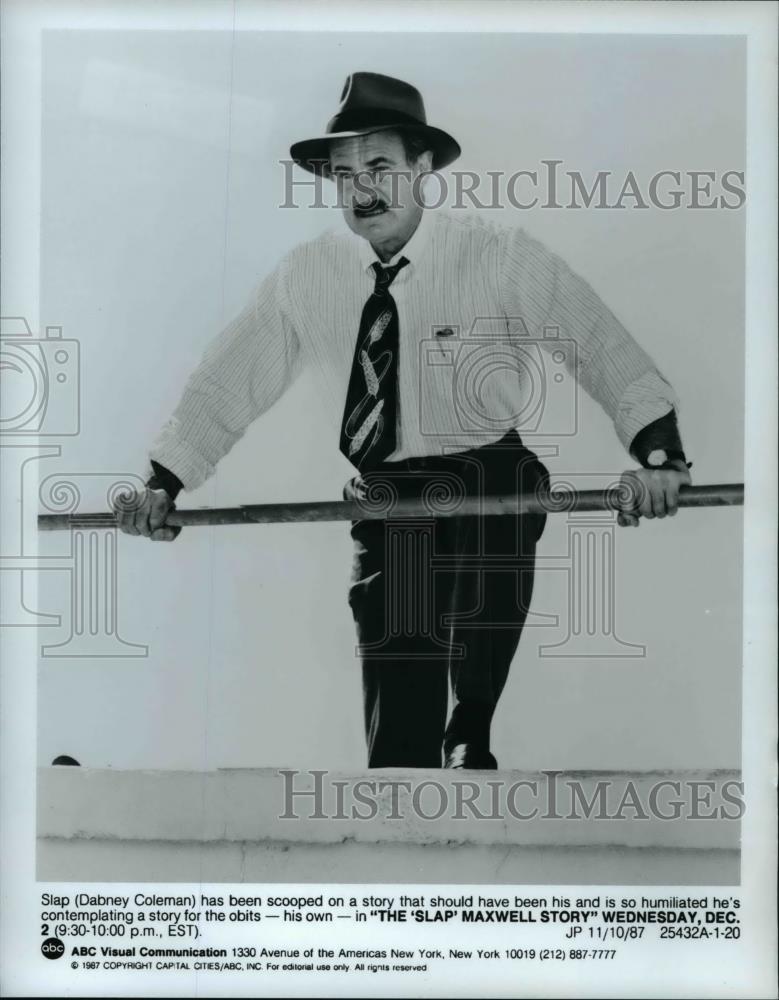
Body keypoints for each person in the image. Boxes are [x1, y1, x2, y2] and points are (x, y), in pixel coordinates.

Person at [116, 72, 691, 770]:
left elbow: (601, 346)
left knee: (498, 503)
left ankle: (468, 729)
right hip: (389, 492)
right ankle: (403, 786)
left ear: (421, 169)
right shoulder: (307, 275)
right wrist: (161, 483)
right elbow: (226, 382)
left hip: (488, 474)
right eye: (345, 172)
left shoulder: (497, 255)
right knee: (397, 712)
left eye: (381, 166)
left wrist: (658, 458)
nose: (363, 188)